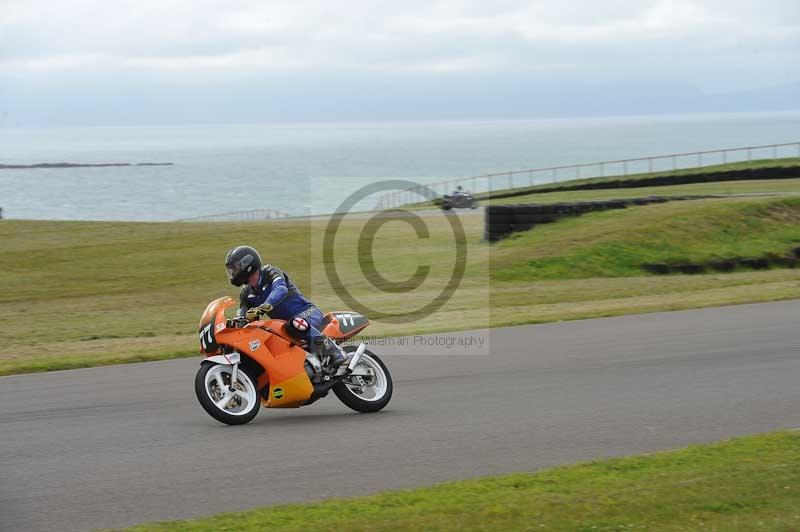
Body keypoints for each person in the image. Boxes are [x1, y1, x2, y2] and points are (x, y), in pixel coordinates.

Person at [224, 245, 348, 369]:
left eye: (235, 268)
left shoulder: (270, 272)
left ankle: (333, 350)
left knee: (294, 324)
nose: (233, 273)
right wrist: (236, 321)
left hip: (308, 313)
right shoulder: (246, 293)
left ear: (247, 264)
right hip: (284, 325)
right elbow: (243, 311)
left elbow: (281, 289)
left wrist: (263, 307)